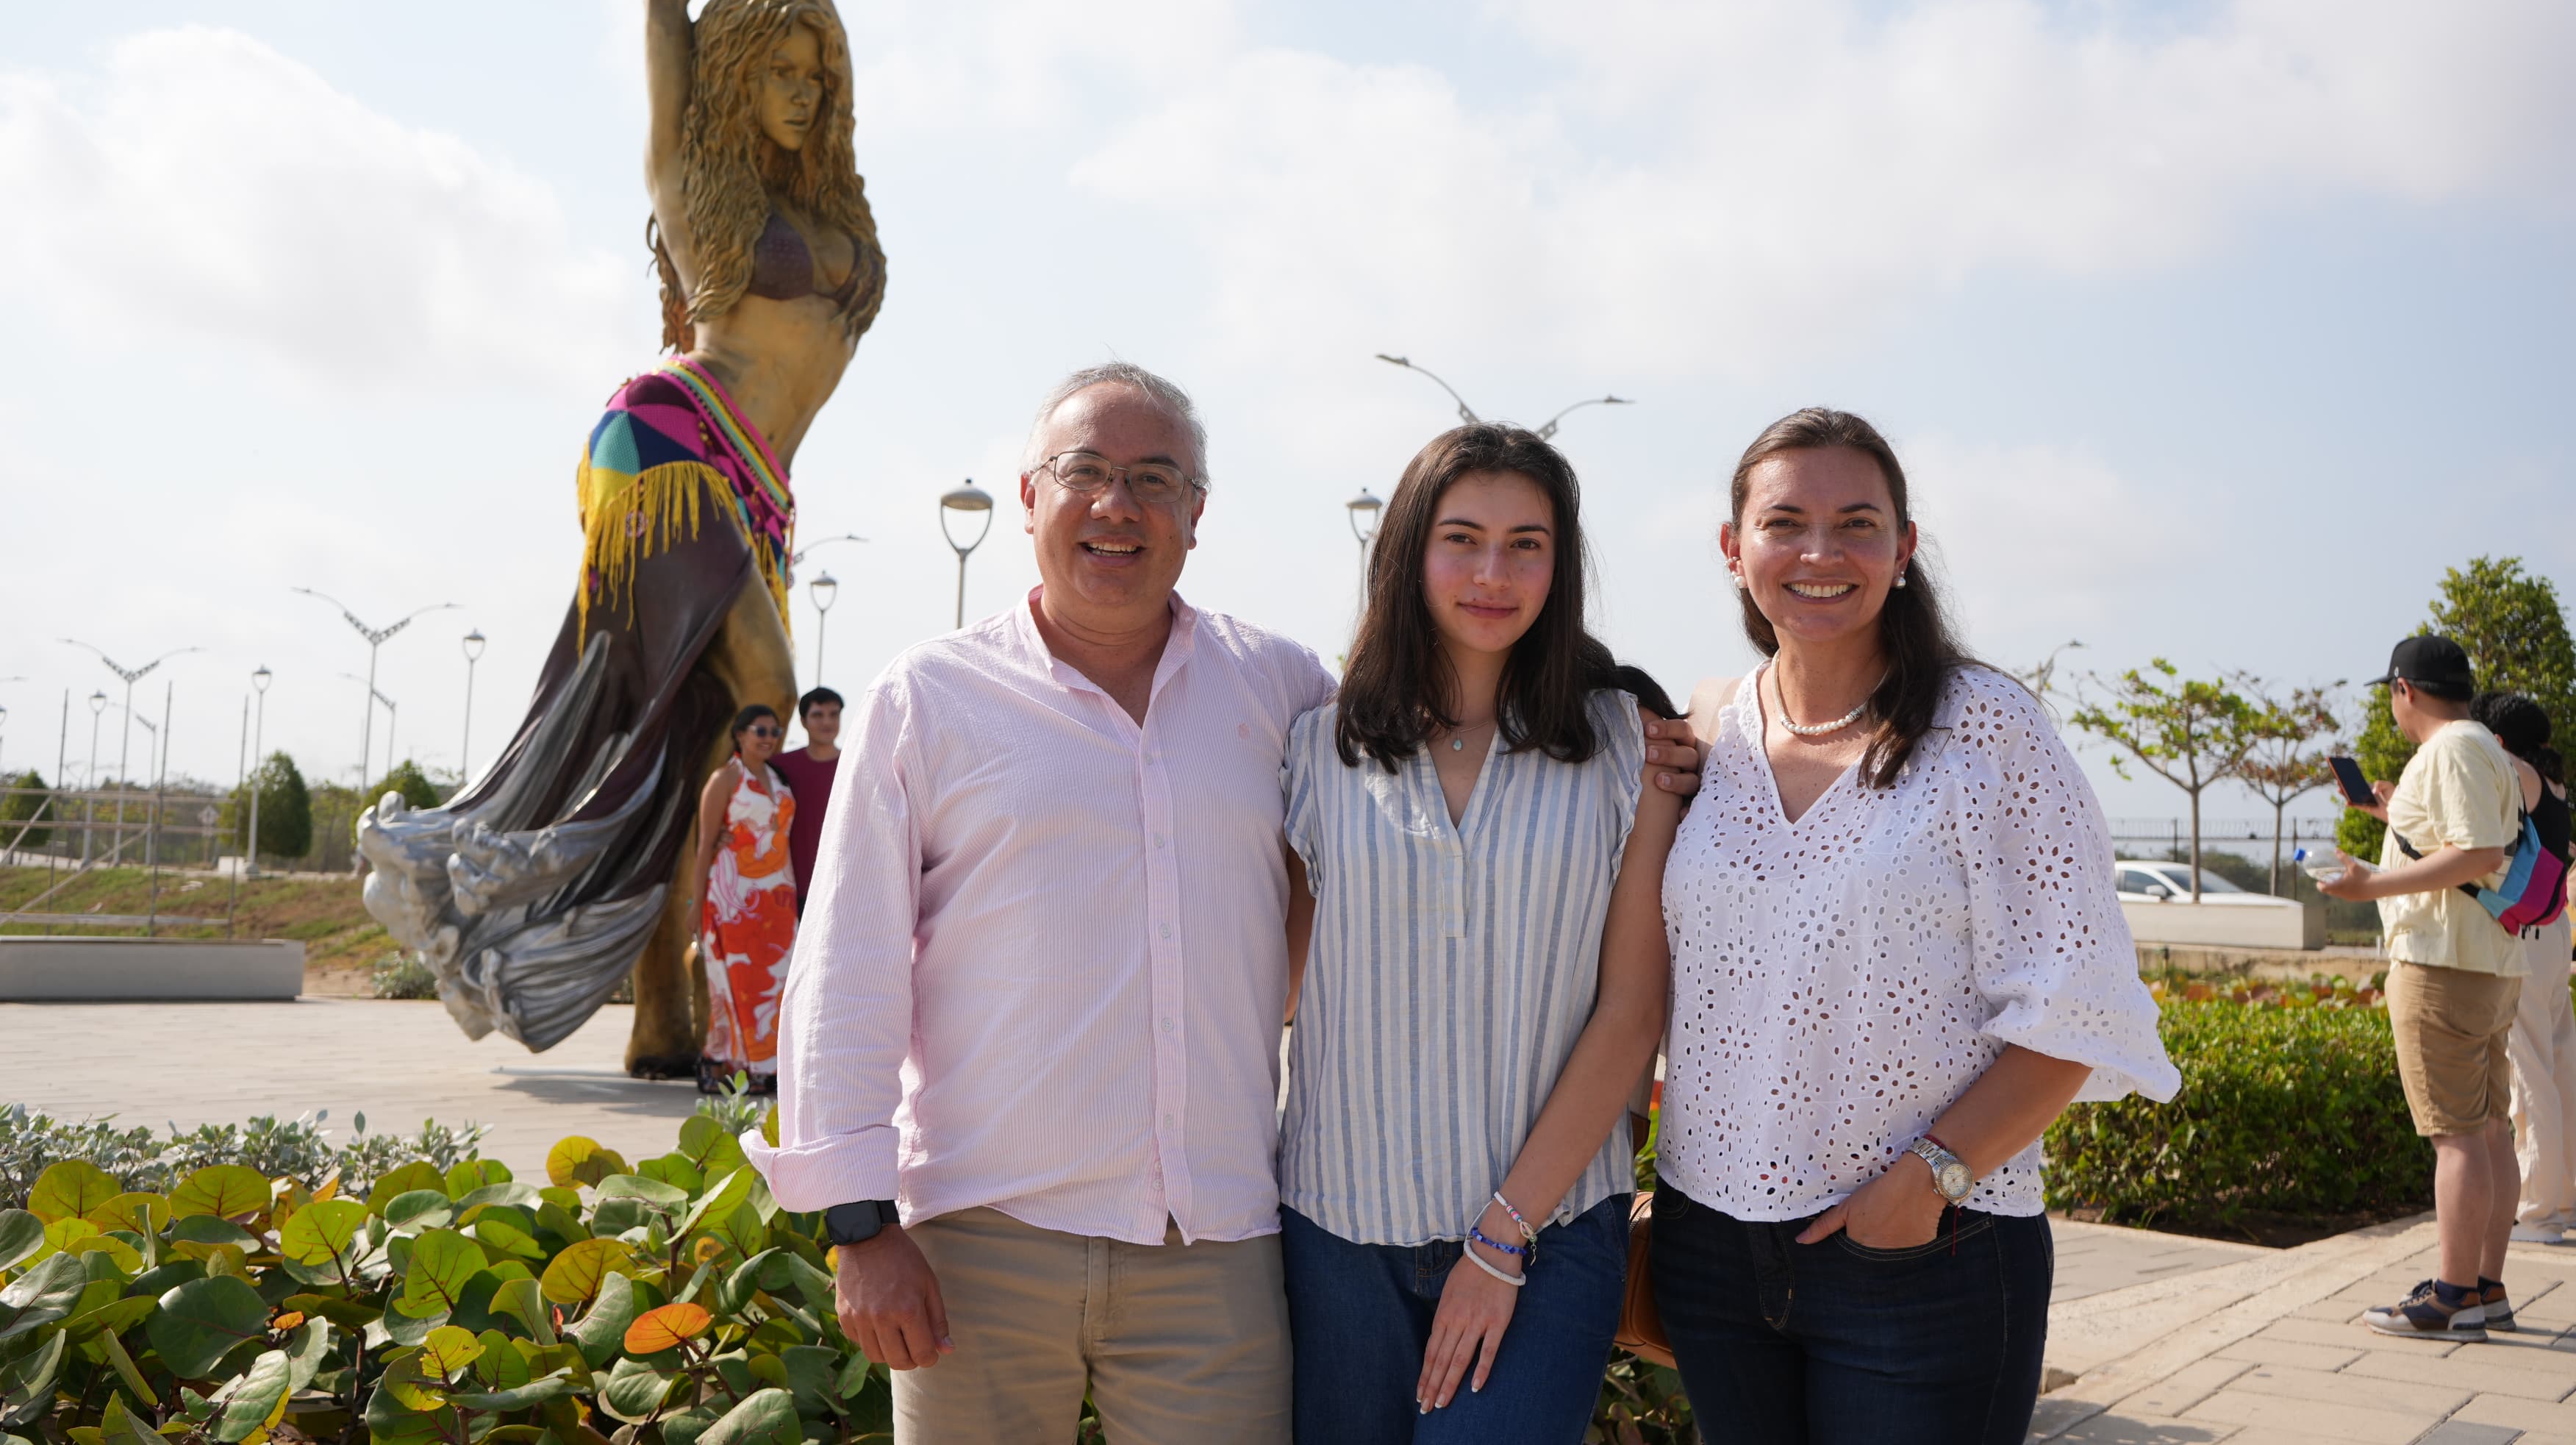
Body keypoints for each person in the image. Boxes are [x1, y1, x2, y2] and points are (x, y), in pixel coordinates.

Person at [743, 363, 1706, 1444]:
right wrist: (858, 1223)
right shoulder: (928, 698)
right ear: (1028, 498)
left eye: (1156, 479)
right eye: (1086, 473)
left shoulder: (1281, 694)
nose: (1120, 505)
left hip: (1213, 1252)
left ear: (1197, 516)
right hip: (986, 1239)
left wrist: (1664, 726)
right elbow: (849, 964)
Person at [357, 0, 889, 1076]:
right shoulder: (699, 198)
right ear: (726, 84)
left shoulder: (833, 194)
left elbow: (842, 42)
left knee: (698, 745)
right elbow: (660, 13)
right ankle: (710, 989)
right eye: (776, 73)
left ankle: (664, 1021)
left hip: (756, 490)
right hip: (662, 447)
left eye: (811, 77)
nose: (805, 92)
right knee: (764, 693)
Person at [1649, 408, 2177, 1445]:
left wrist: (1922, 1186)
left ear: (1904, 549)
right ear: (1733, 548)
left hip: (1921, 1255)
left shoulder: (1988, 731)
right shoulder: (1712, 729)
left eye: (1857, 523)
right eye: (1785, 522)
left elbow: (2078, 1004)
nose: (1819, 552)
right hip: (1709, 1247)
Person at [1277, 425, 1683, 1444]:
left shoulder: (1629, 747)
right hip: (1336, 1232)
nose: (1493, 573)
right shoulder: (1313, 753)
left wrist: (1500, 1243)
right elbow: (1270, 983)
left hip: (1546, 1239)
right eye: (1462, 538)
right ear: (1408, 552)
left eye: (1526, 544)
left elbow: (1632, 1014)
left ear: (1562, 561)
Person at [2320, 635, 2525, 1339]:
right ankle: (2484, 1286)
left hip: (2443, 966)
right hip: (2483, 964)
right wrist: (2393, 816)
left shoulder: (2450, 749)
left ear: (2403, 689)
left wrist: (2369, 882)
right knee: (2489, 1132)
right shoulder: (2482, 747)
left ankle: (2452, 1296)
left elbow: (2478, 853)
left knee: (2457, 1138)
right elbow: (2469, 844)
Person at [2473, 693, 2576, 1245]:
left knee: (2529, 1071)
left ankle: (2538, 1213)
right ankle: (2563, 1198)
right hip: (2554, 931)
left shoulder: (2520, 774)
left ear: (2502, 740)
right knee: (2559, 1064)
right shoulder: (2552, 781)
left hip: (2530, 938)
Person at [693, 702, 798, 1096]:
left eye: (775, 731)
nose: (769, 738)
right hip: (732, 897)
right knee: (734, 983)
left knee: (775, 983)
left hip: (779, 898)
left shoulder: (780, 779)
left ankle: (765, 1066)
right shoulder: (725, 779)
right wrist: (696, 902)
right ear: (740, 735)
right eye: (761, 731)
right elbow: (704, 844)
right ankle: (718, 1060)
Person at [770, 686, 844, 912]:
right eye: (818, 715)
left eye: (834, 714)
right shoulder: (778, 766)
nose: (827, 722)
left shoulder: (855, 766)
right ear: (803, 721)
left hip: (840, 886)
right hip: (788, 888)